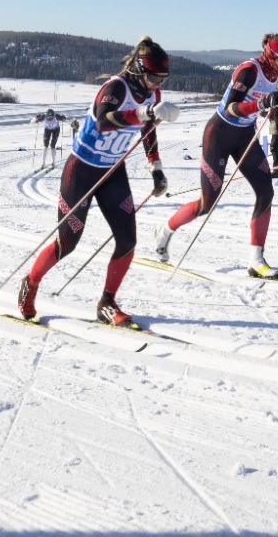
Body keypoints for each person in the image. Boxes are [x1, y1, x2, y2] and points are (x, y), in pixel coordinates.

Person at [17, 37, 179, 325]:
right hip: (82, 170)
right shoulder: (116, 87)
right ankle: (31, 283)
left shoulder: (152, 95)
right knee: (67, 243)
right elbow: (105, 121)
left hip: (113, 172)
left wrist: (156, 167)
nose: (157, 84)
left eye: (163, 79)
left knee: (128, 240)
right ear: (140, 69)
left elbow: (147, 130)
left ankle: (107, 302)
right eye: (154, 77)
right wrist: (145, 112)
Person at [154, 32, 278, 279]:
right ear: (271, 54)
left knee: (266, 192)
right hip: (219, 134)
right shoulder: (249, 70)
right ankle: (165, 230)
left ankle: (256, 260)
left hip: (245, 137)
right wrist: (260, 105)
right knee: (207, 202)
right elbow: (231, 109)